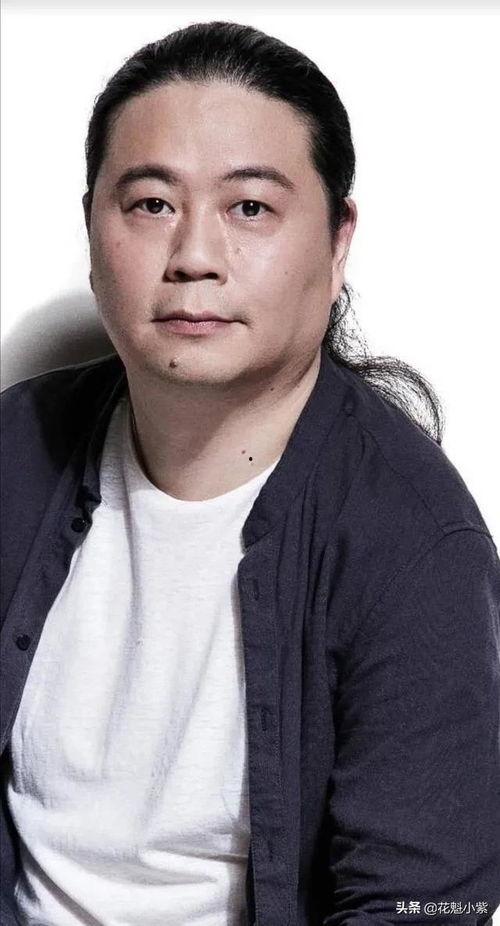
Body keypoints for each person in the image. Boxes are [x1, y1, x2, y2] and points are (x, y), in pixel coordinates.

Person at [0, 19, 499, 926]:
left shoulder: (416, 545)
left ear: (338, 241)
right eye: (151, 204)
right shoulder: (12, 452)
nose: (194, 256)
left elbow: (416, 908)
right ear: (92, 229)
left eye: (251, 209)